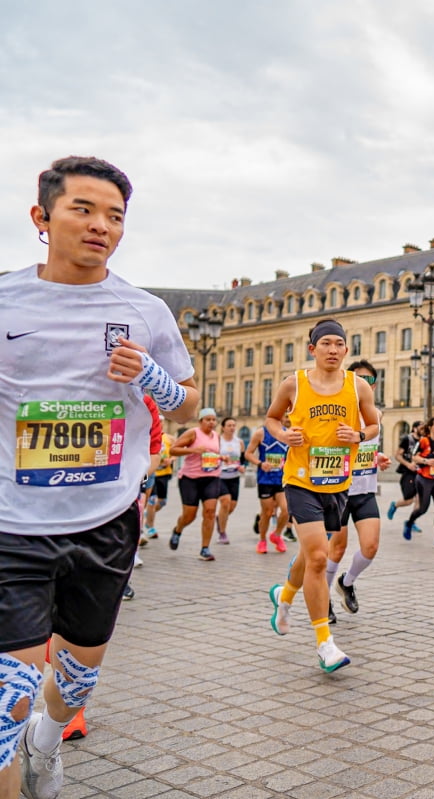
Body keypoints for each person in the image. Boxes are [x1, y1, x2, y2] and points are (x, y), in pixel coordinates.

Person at [3, 156, 198, 799]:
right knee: (9, 701)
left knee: (77, 679)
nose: (100, 226)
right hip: (14, 526)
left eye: (114, 216)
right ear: (42, 217)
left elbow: (187, 404)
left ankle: (47, 739)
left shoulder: (144, 311)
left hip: (108, 520)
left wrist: (150, 375)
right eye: (82, 210)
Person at [265, 319, 379, 673]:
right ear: (312, 349)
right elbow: (271, 419)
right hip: (300, 481)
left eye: (339, 344)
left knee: (308, 554)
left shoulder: (358, 386)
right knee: (318, 557)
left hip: (337, 484)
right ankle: (324, 643)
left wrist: (358, 436)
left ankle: (284, 597)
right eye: (325, 343)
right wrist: (283, 436)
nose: (333, 349)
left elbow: (374, 425)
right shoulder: (293, 384)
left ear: (347, 349)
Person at [327, 360, 389, 616]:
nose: (365, 383)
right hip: (339, 490)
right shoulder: (335, 412)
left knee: (370, 546)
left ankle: (347, 582)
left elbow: (366, 448)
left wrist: (379, 457)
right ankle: (324, 601)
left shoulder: (376, 416)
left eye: (370, 380)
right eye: (359, 378)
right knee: (337, 548)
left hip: (364, 490)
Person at [168, 408, 222, 560]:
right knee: (189, 515)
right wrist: (193, 450)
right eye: (208, 419)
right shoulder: (193, 433)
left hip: (212, 477)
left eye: (213, 420)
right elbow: (173, 450)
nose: (211, 422)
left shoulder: (216, 436)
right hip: (190, 478)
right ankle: (178, 529)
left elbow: (214, 453)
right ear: (200, 421)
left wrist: (220, 458)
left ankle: (205, 548)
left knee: (210, 512)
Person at [405, 418, 434, 548]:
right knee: (423, 509)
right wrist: (425, 461)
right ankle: (409, 523)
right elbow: (414, 457)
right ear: (430, 427)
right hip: (424, 479)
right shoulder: (424, 441)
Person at [246, 424, 289, 554]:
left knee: (287, 510)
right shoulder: (261, 433)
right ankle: (262, 539)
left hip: (282, 478)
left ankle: (276, 535)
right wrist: (260, 463)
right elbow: (248, 454)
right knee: (267, 512)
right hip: (265, 479)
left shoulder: (288, 433)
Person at [215, 417, 245, 545]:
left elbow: (242, 459)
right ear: (223, 427)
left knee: (231, 507)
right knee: (225, 502)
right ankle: (222, 533)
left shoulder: (239, 442)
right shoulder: (217, 441)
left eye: (234, 425)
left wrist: (243, 466)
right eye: (229, 425)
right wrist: (221, 459)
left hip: (234, 476)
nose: (232, 428)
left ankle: (219, 518)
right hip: (220, 475)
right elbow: (211, 455)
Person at [385, 426, 420, 521]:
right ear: (415, 428)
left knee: (419, 500)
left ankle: (412, 522)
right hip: (408, 473)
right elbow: (397, 455)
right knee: (409, 500)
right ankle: (395, 505)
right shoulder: (407, 439)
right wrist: (408, 465)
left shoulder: (424, 440)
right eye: (421, 427)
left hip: (420, 473)